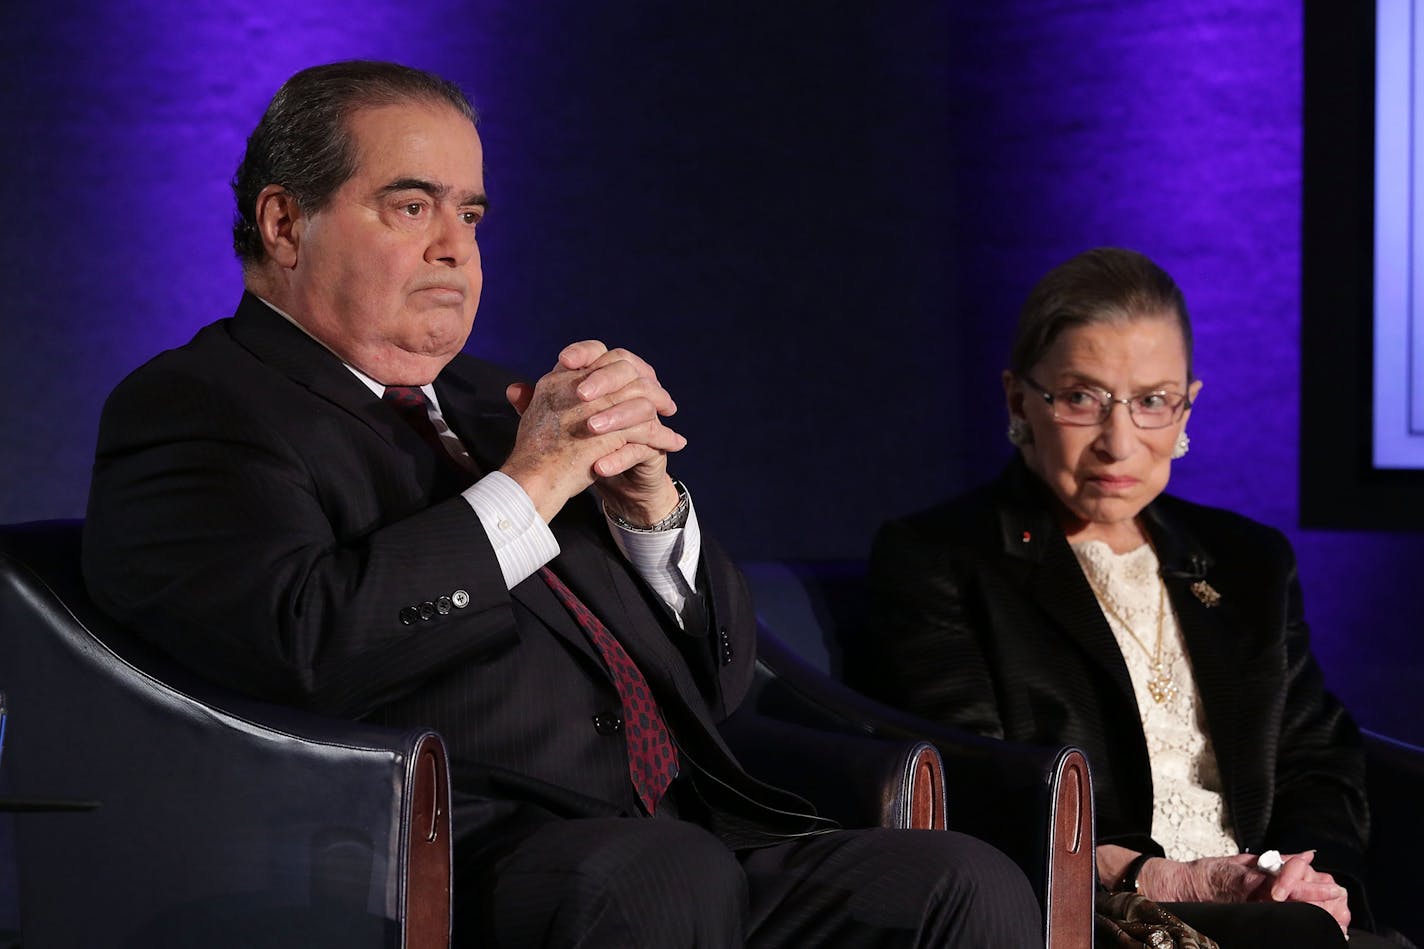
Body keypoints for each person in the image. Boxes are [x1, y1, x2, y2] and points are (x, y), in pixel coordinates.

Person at [81, 60, 1040, 947]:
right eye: (411, 206)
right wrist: (533, 484)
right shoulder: (199, 406)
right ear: (286, 223)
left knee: (958, 881)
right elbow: (295, 646)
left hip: (677, 827)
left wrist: (647, 515)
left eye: (473, 213)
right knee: (664, 877)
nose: (456, 247)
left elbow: (718, 683)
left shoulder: (495, 402)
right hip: (441, 846)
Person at [862, 247, 1398, 948]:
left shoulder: (1249, 560)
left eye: (1151, 402)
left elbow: (1315, 759)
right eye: (1082, 396)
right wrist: (1162, 877)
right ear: (1019, 398)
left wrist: (1312, 881)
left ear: (1186, 408)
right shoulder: (941, 558)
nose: (1119, 443)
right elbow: (973, 784)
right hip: (1097, 912)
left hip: (1275, 909)